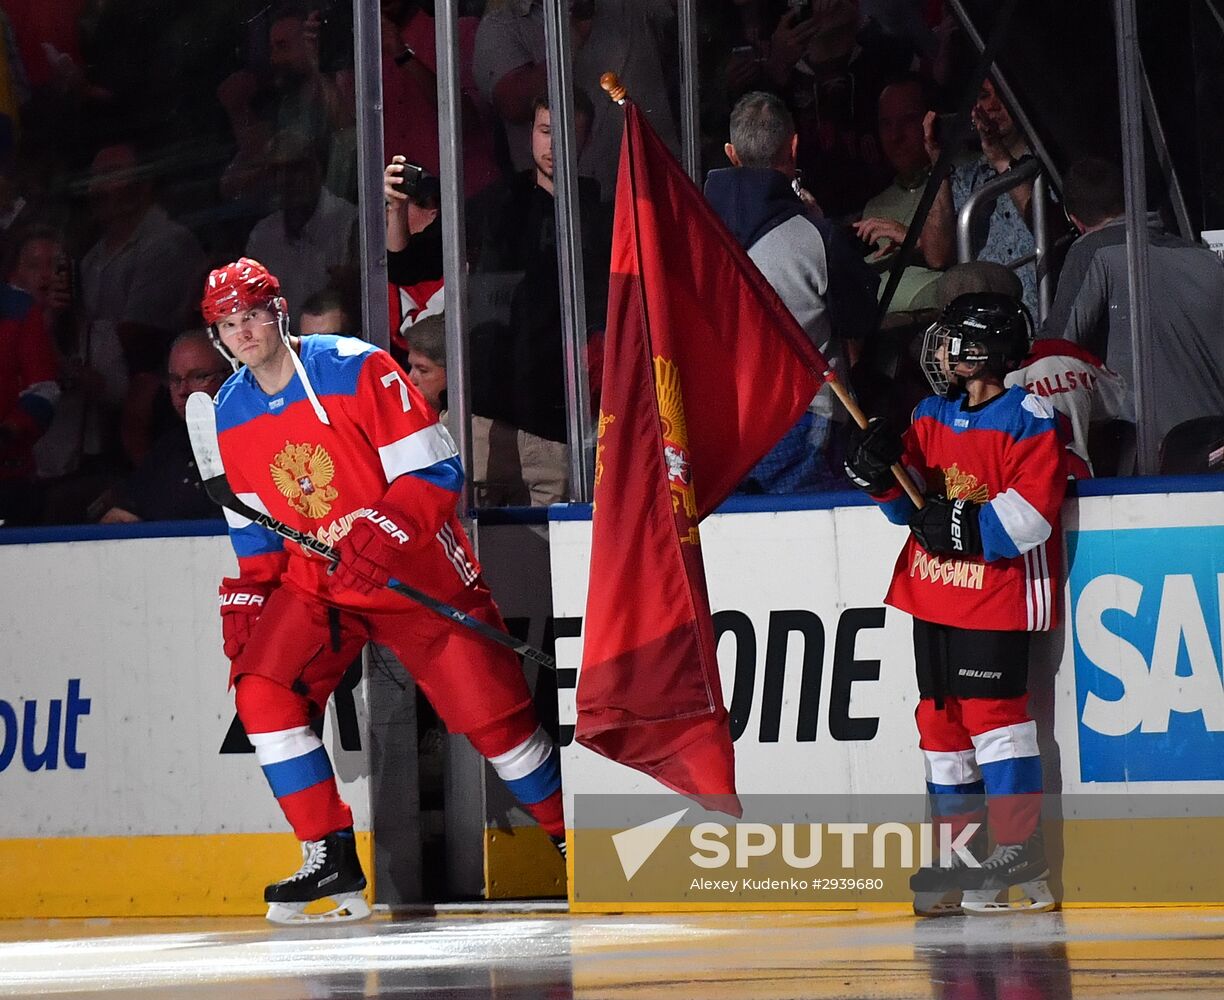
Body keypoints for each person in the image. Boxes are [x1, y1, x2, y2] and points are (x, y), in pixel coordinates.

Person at [200, 258, 564, 923]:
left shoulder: (355, 368)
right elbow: (253, 522)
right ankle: (328, 854)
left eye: (251, 315)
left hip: (412, 568)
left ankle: (574, 839)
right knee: (263, 691)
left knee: (496, 720)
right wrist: (253, 592)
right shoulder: (229, 410)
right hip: (321, 585)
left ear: (277, 312)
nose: (243, 331)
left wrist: (374, 533)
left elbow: (435, 471)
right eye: (229, 323)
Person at [844, 292, 1065, 916]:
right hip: (930, 593)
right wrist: (877, 471)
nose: (938, 350)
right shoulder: (929, 413)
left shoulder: (1029, 415)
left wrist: (960, 525)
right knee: (940, 728)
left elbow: (1031, 514)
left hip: (993, 598)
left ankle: (1023, 853)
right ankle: (962, 855)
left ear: (983, 351)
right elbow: (905, 508)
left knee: (996, 722)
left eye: (951, 340)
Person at [704, 90, 878, 492]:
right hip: (804, 421)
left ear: (731, 153)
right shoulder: (815, 237)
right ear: (795, 146)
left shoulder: (694, 235)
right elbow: (862, 317)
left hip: (720, 422)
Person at [466, 91, 611, 506]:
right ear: (531, 133)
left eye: (567, 133)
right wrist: (398, 212)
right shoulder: (497, 205)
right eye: (546, 131)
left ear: (586, 139)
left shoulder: (596, 218)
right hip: (486, 421)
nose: (553, 145)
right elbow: (410, 259)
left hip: (556, 430)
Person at [1045, 156, 1224, 454]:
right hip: (1215, 458)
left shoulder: (1093, 250)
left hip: (1152, 461)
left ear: (1074, 219)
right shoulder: (1207, 259)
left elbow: (1051, 352)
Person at [920, 78, 1039, 317]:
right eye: (984, 95)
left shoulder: (1045, 167)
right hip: (985, 328)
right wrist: (938, 164)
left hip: (1041, 320)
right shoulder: (967, 177)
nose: (993, 105)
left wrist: (1001, 159)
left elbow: (1047, 226)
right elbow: (936, 255)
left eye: (1002, 94)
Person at [97, 331, 228, 523]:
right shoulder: (168, 449)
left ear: (231, 375)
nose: (183, 391)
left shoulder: (260, 442)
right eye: (175, 380)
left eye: (198, 377)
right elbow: (123, 515)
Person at [852, 73, 945, 312]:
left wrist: (915, 240)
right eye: (886, 124)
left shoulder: (964, 177)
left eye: (908, 120)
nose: (895, 136)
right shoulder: (876, 206)